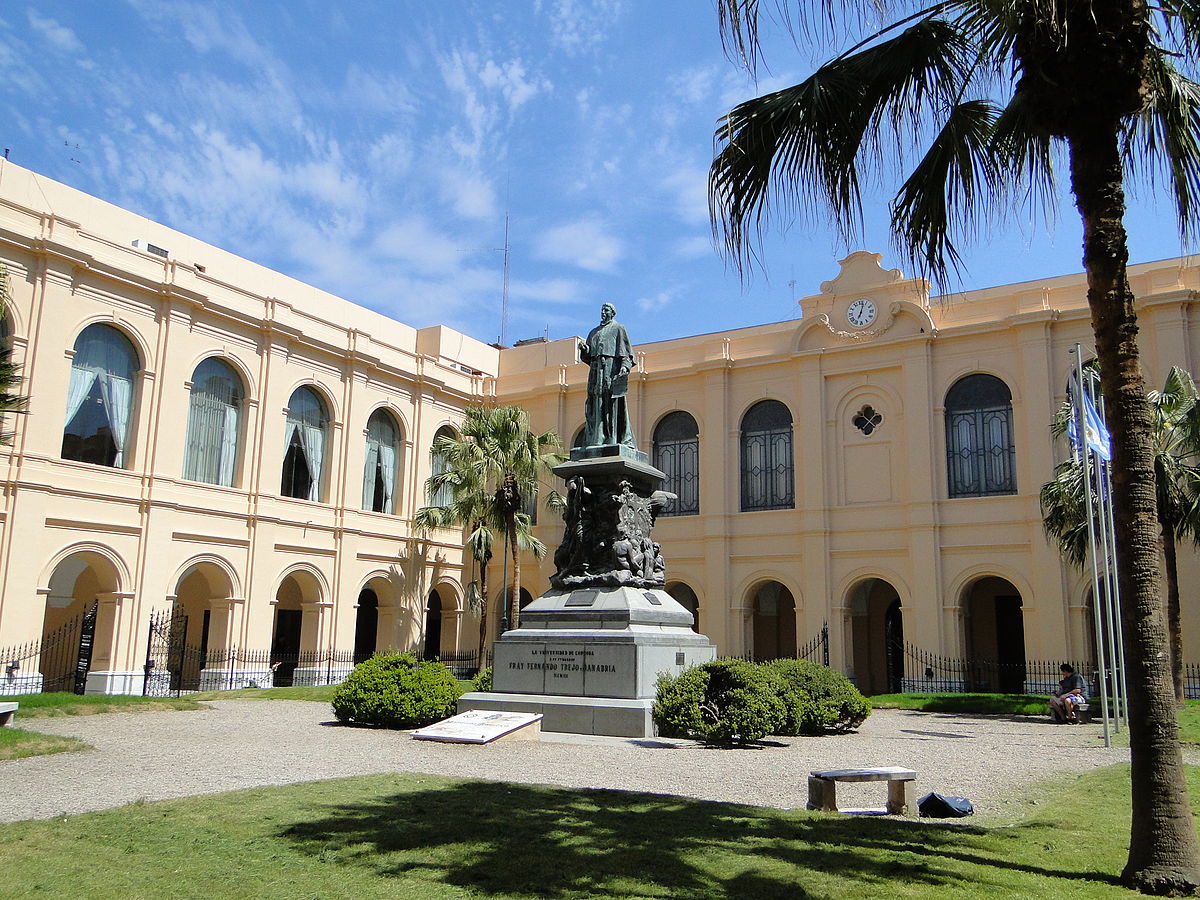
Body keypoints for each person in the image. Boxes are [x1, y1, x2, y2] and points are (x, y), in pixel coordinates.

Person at [579, 302, 636, 448]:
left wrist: (624, 368)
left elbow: (627, 355)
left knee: (612, 405)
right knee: (596, 404)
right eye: (602, 310)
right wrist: (585, 349)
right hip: (595, 372)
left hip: (611, 370)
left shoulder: (618, 329)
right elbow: (588, 357)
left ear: (613, 313)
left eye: (606, 310)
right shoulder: (593, 332)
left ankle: (613, 438)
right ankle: (597, 438)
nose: (603, 312)